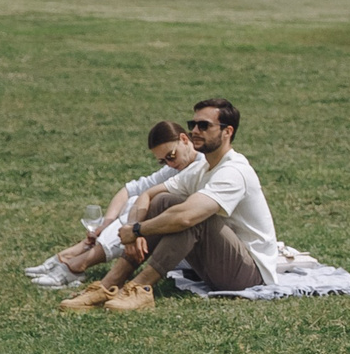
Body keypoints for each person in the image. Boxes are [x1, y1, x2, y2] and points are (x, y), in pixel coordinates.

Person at [61, 98, 282, 313]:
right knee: (164, 201)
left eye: (204, 125)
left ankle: (141, 287)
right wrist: (133, 228)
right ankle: (109, 284)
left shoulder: (234, 171)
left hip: (249, 275)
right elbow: (148, 194)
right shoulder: (202, 168)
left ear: (227, 132)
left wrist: (137, 230)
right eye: (192, 124)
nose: (195, 130)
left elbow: (186, 217)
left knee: (193, 218)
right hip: (216, 264)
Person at [47, 121, 202, 276]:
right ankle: (76, 255)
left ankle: (77, 263)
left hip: (195, 247)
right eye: (163, 161)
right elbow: (128, 190)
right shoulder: (175, 167)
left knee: (153, 203)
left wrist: (134, 231)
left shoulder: (200, 165)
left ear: (184, 139)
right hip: (180, 247)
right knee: (135, 202)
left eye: (171, 156)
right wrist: (106, 224)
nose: (169, 163)